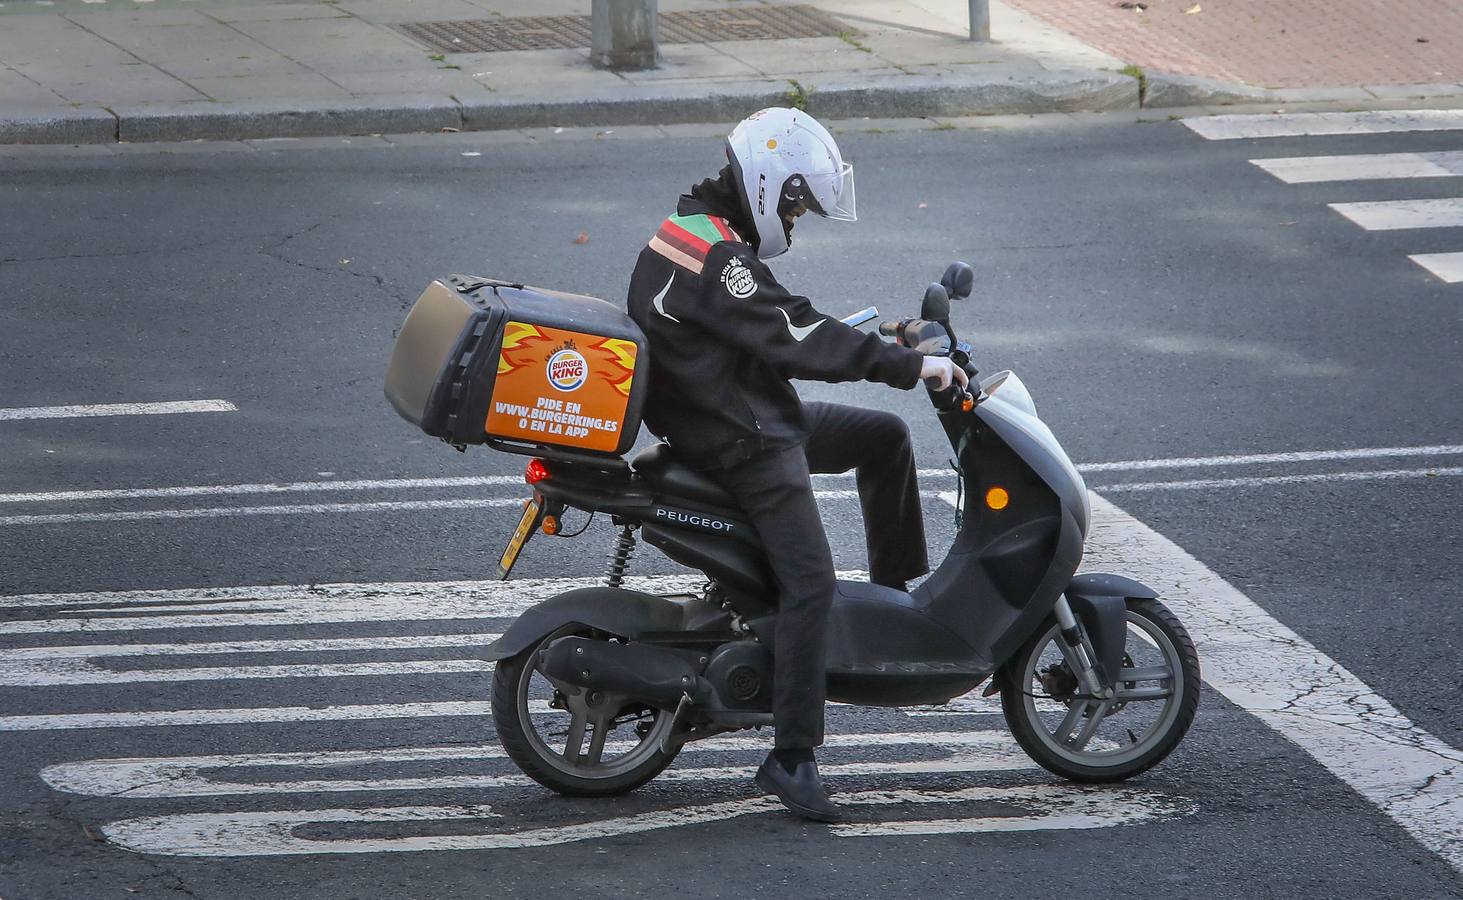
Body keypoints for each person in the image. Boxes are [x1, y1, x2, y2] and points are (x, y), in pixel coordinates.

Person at [625, 108, 968, 822]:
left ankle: (890, 600)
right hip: (742, 439)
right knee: (808, 585)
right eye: (795, 201)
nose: (798, 214)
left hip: (737, 409)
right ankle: (792, 756)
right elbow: (791, 333)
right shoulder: (718, 259)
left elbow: (771, 322)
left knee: (881, 439)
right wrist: (910, 365)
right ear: (762, 182)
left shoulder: (699, 233)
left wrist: (870, 337)